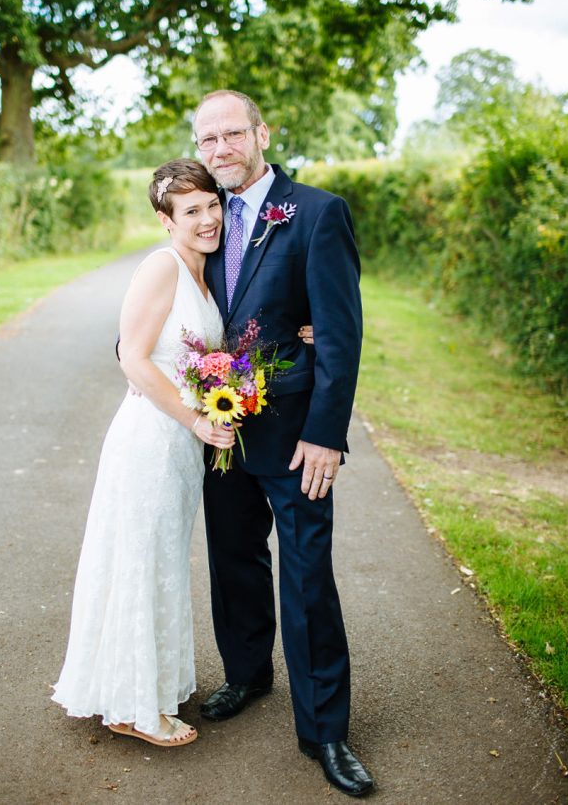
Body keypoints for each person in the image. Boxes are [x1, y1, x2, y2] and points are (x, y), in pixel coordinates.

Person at [193, 90, 372, 798]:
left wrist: (327, 432)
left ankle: (325, 729)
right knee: (232, 559)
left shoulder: (317, 213)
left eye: (232, 133)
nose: (220, 149)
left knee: (306, 579)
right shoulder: (200, 218)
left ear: (262, 132)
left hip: (298, 438)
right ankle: (246, 672)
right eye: (208, 140)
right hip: (220, 432)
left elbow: (338, 331)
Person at [52, 160, 236, 746]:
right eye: (191, 211)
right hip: (152, 440)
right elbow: (132, 358)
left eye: (212, 204)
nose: (208, 219)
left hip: (179, 446)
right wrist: (196, 420)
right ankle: (133, 708)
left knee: (156, 560)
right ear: (165, 219)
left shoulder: (205, 272)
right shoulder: (162, 268)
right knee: (140, 561)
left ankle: (139, 684)